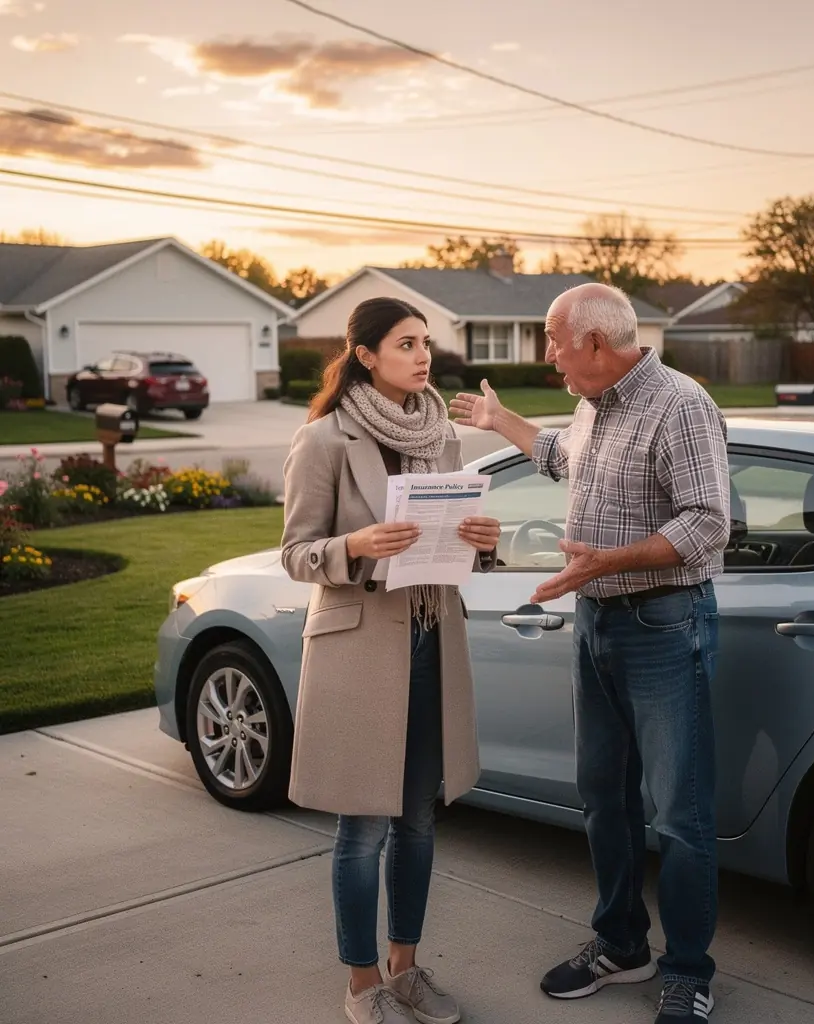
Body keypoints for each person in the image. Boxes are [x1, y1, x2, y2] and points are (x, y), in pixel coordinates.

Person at [450, 282, 730, 1024]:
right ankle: (620, 947)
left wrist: (605, 562)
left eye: (554, 340)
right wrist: (499, 420)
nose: (549, 355)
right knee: (604, 800)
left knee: (679, 815)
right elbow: (556, 456)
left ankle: (689, 972)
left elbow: (707, 525)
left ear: (597, 343)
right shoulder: (591, 405)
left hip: (666, 627)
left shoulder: (681, 404)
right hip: (597, 626)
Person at [281, 296, 501, 1024]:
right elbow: (295, 553)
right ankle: (361, 982)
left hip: (432, 640)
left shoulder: (441, 436)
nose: (423, 354)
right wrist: (354, 547)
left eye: (426, 342)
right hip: (359, 647)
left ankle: (406, 970)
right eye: (406, 343)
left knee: (417, 820)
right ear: (366, 356)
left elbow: (456, 545)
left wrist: (482, 538)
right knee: (364, 828)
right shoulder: (324, 439)